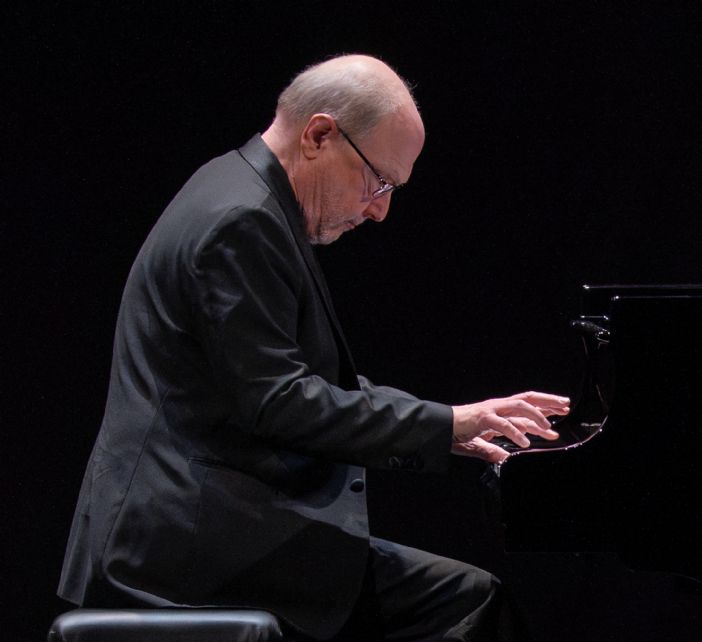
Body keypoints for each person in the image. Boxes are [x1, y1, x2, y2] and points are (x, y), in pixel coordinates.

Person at [57, 54, 569, 641]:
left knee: (461, 597)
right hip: (184, 550)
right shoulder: (241, 221)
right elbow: (281, 403)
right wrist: (445, 423)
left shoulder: (236, 190)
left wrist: (446, 425)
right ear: (320, 134)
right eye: (379, 182)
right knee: (469, 606)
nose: (379, 210)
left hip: (194, 528)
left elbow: (295, 382)